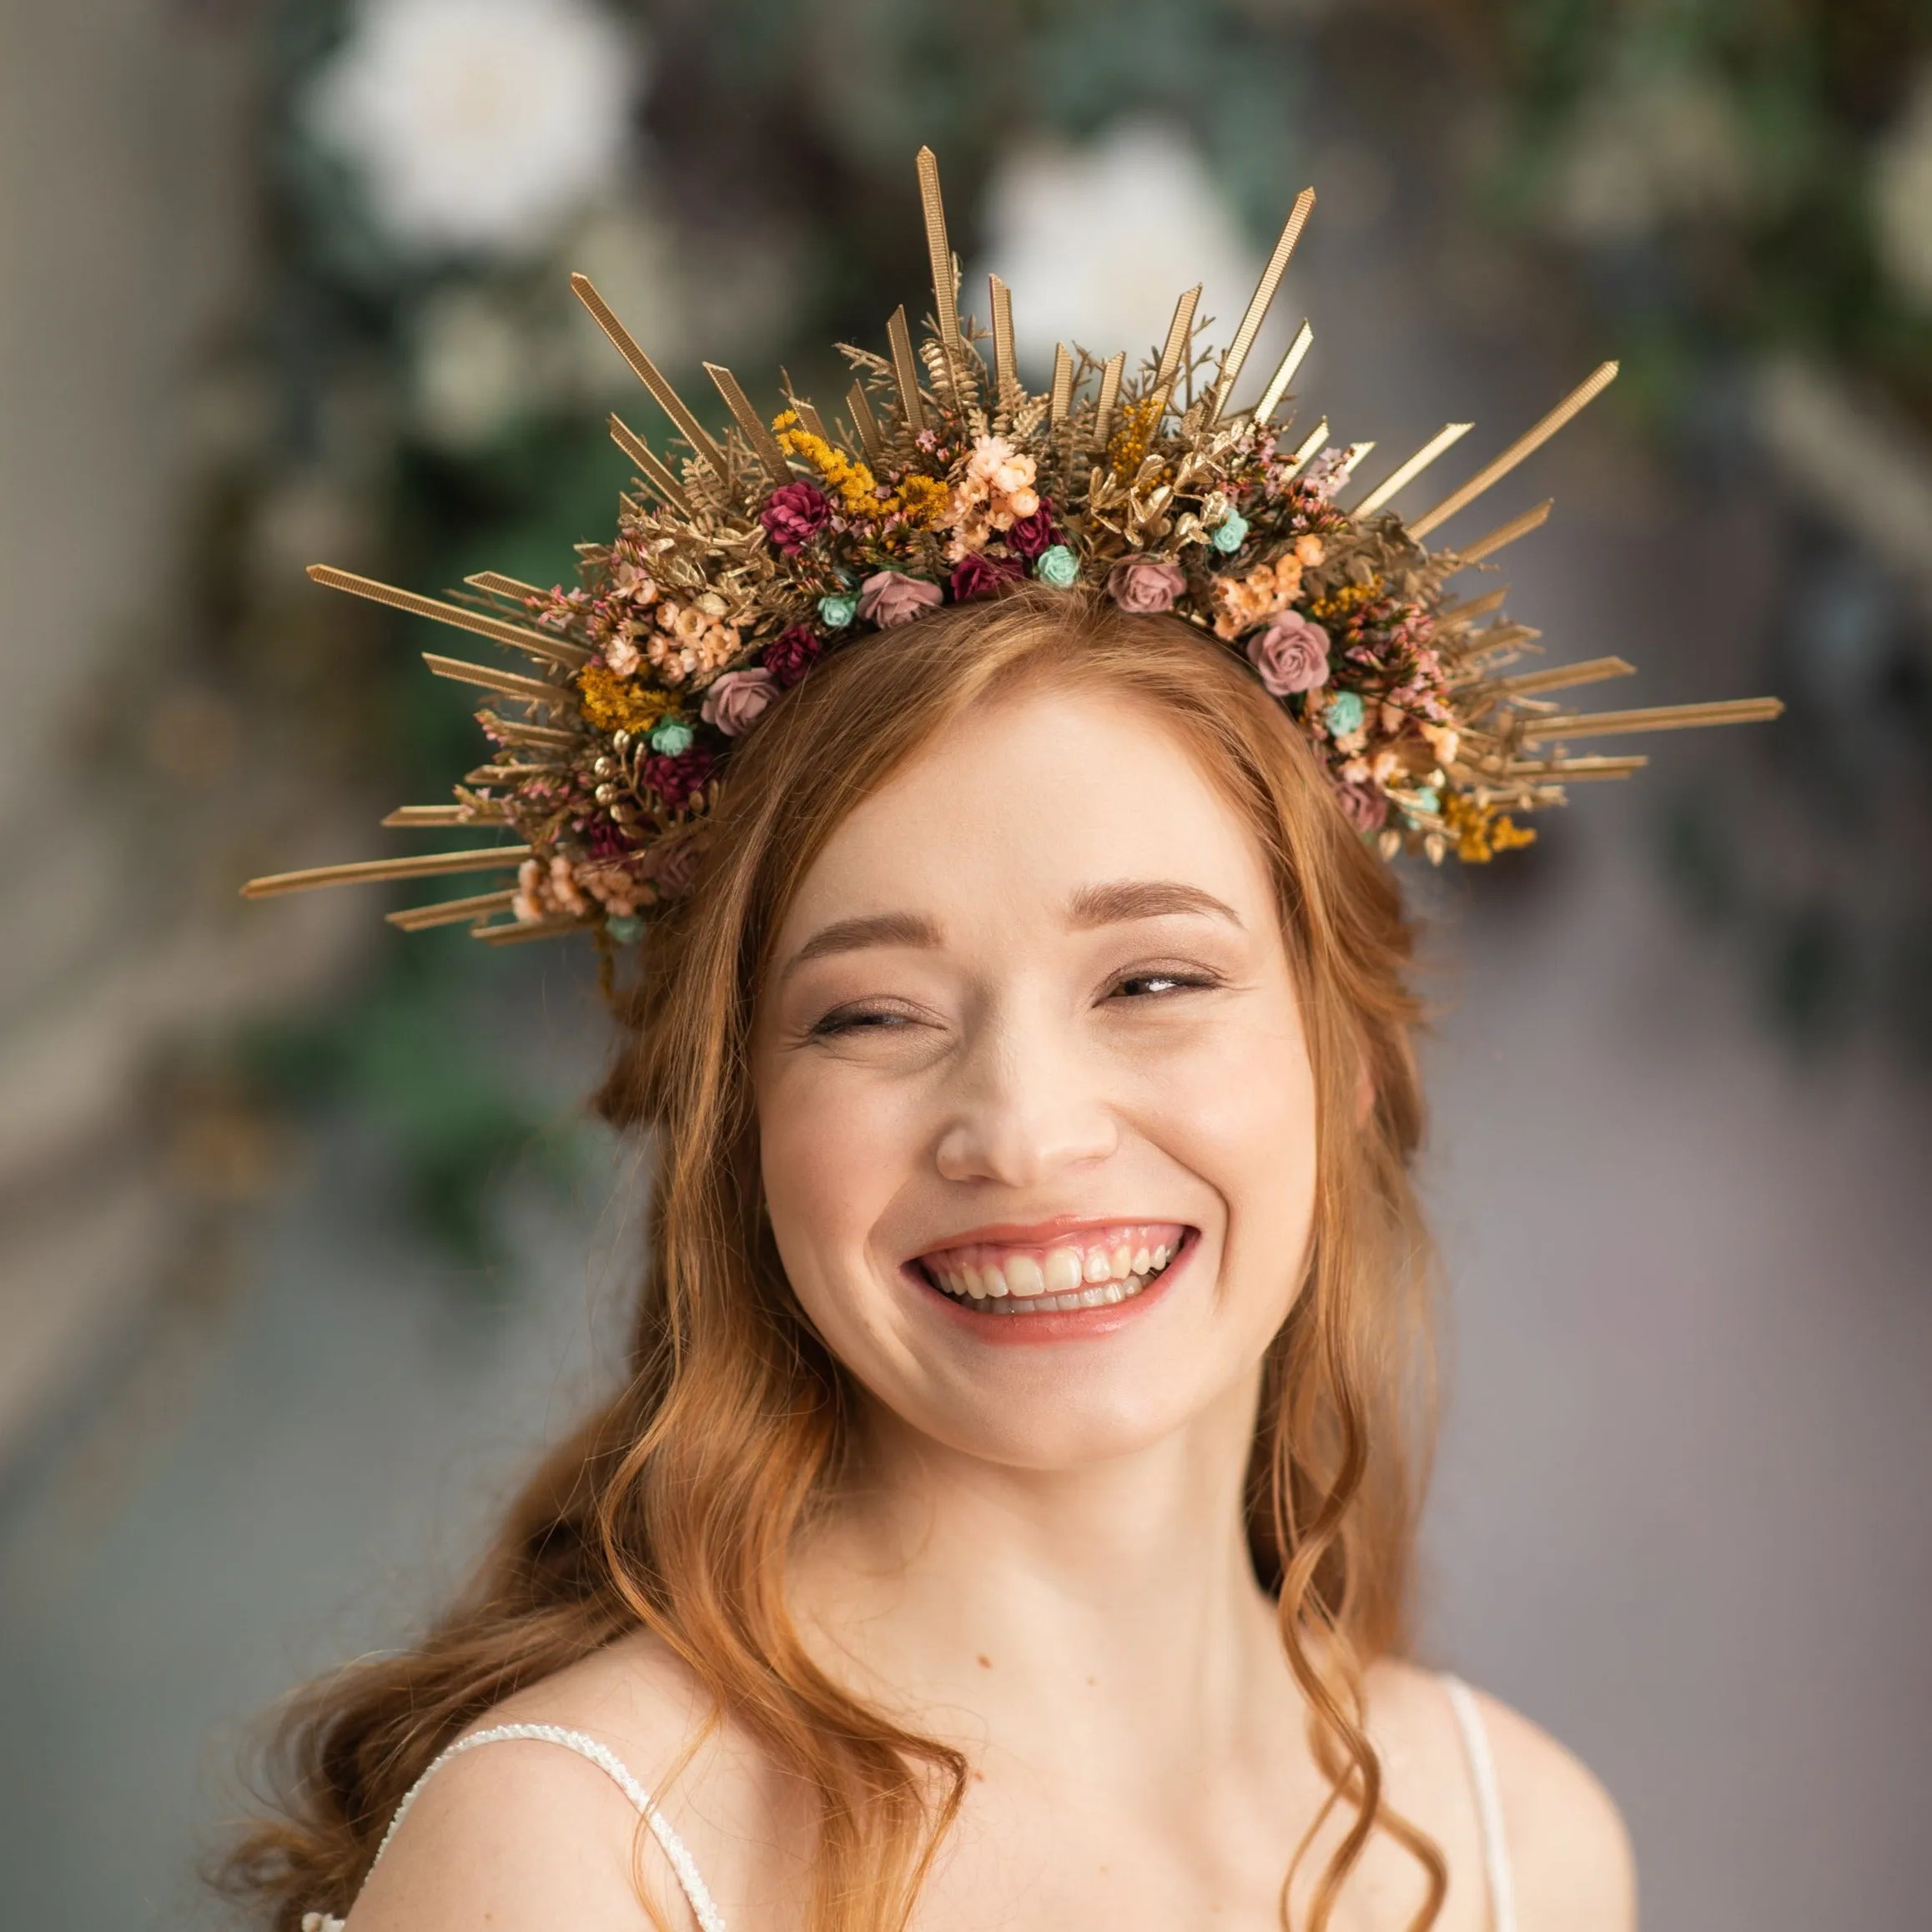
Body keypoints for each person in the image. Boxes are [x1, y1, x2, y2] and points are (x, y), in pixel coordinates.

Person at [234, 148, 1773, 1930]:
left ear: (1347, 1059)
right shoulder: (584, 1864)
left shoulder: (1531, 1844)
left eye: (1152, 981)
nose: (1023, 1132)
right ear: (739, 1122)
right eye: (872, 1014)